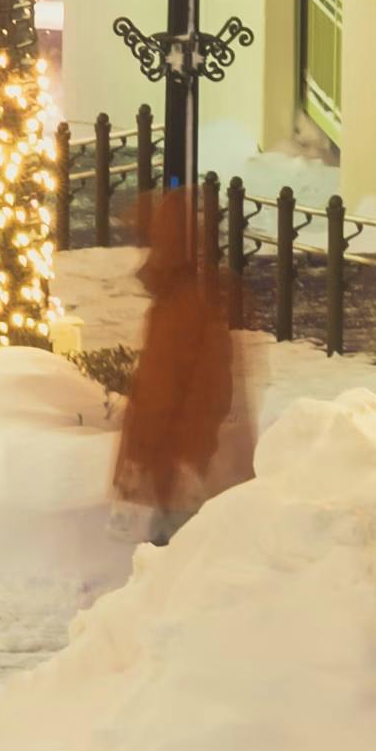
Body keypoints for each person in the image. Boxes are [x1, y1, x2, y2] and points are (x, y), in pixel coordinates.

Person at [110, 185, 251, 540]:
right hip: (197, 463)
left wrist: (139, 458)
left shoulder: (178, 310)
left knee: (172, 562)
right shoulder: (205, 300)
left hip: (182, 469)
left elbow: (158, 395)